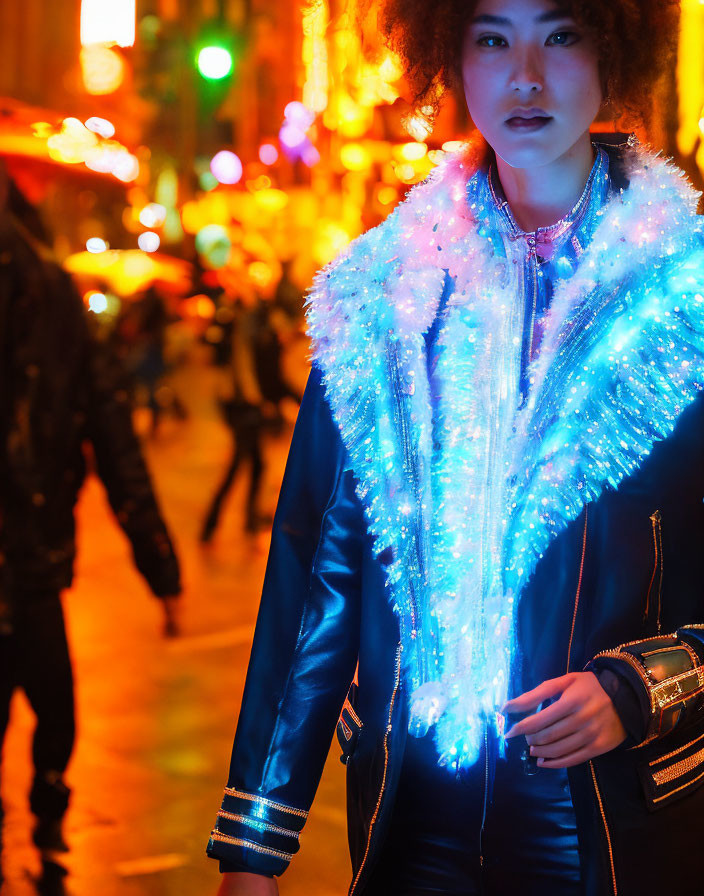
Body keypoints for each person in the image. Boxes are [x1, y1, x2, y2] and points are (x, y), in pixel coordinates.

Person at [206, 0, 704, 893]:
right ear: (449, 55)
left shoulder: (686, 298)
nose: (524, 75)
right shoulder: (381, 297)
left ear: (614, 48)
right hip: (412, 818)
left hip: (605, 825)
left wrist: (645, 686)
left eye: (559, 35)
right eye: (490, 37)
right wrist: (256, 839)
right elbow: (319, 574)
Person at [0, 166, 182, 857]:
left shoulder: (50, 295)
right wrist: (159, 567)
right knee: (53, 700)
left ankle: (45, 809)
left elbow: (110, 434)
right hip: (36, 554)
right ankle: (48, 805)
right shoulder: (54, 293)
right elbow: (113, 442)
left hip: (34, 553)